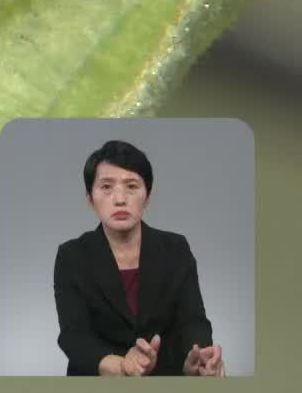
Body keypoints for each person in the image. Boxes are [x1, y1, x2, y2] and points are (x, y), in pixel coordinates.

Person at [52, 140, 224, 376]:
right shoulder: (72, 256)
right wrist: (119, 365)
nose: (120, 199)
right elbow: (74, 336)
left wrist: (199, 359)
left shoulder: (175, 248)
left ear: (148, 196)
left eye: (132, 186)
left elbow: (193, 321)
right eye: (106, 187)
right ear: (90, 199)